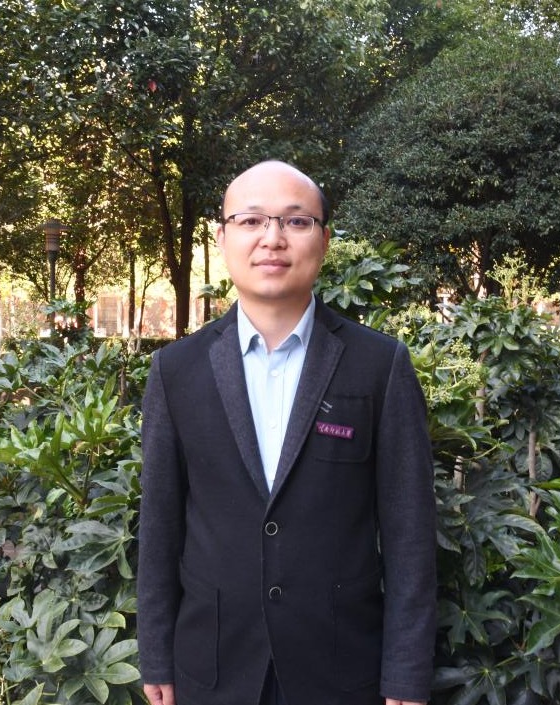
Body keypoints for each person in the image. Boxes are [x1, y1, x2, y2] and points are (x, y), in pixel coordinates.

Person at [136, 160, 437, 705]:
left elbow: (409, 531)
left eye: (296, 222)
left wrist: (407, 672)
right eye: (251, 221)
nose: (272, 239)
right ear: (222, 238)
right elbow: (159, 525)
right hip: (213, 666)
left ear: (324, 240)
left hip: (341, 667)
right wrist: (155, 653)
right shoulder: (176, 370)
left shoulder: (379, 365)